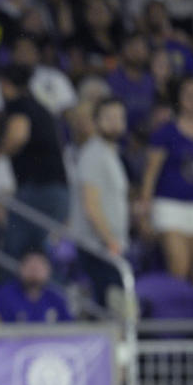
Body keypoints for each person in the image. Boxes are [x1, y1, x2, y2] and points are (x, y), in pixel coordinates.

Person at [138, 75, 193, 289]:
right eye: (189, 95)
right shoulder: (165, 132)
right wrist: (145, 211)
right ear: (179, 99)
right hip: (170, 205)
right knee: (179, 268)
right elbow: (150, 174)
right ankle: (178, 315)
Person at [0, 63, 69, 261]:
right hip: (56, 189)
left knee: (18, 248)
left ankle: (8, 289)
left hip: (39, 190)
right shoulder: (40, 107)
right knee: (43, 251)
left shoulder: (20, 104)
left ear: (5, 85)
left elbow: (17, 136)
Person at [72, 97, 129, 307]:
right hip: (98, 247)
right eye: (108, 117)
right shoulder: (93, 154)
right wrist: (110, 241)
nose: (114, 122)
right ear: (95, 122)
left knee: (118, 307)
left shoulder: (110, 154)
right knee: (112, 309)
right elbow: (91, 204)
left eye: (118, 117)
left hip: (109, 245)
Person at [0, 250, 72, 322]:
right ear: (20, 269)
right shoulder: (3, 296)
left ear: (48, 271)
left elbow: (71, 329)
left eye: (39, 267)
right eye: (30, 266)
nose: (34, 271)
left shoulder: (57, 298)